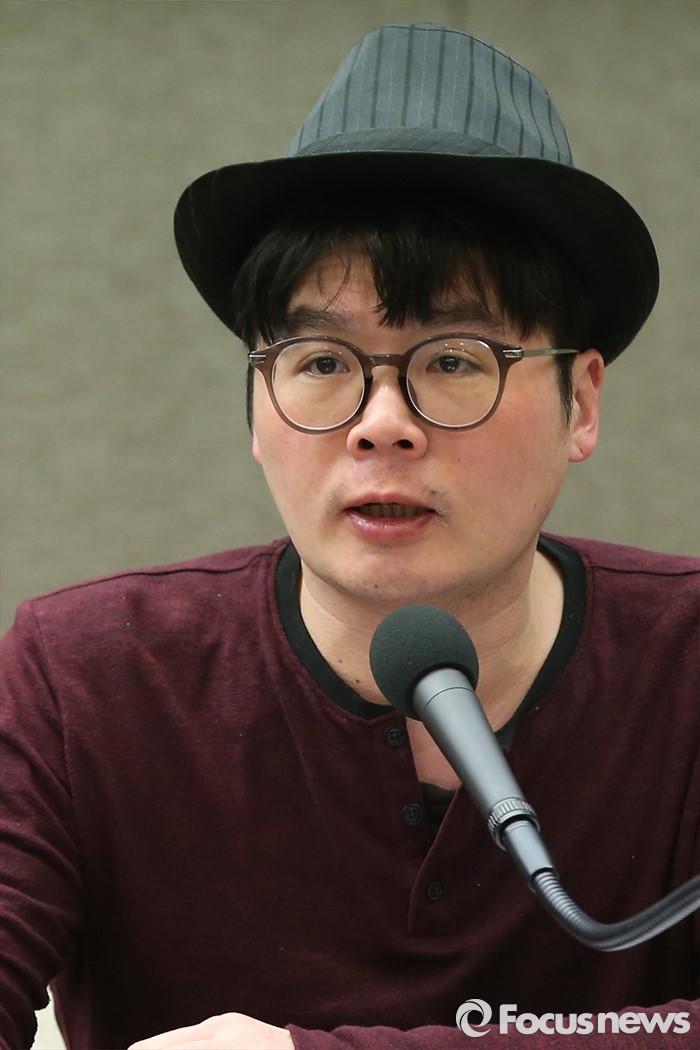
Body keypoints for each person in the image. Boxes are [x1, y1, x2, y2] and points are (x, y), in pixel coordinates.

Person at [1, 21, 698, 1050]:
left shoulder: (685, 663)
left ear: (581, 403)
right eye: (322, 363)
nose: (381, 423)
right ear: (255, 408)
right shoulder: (88, 675)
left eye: (453, 360)